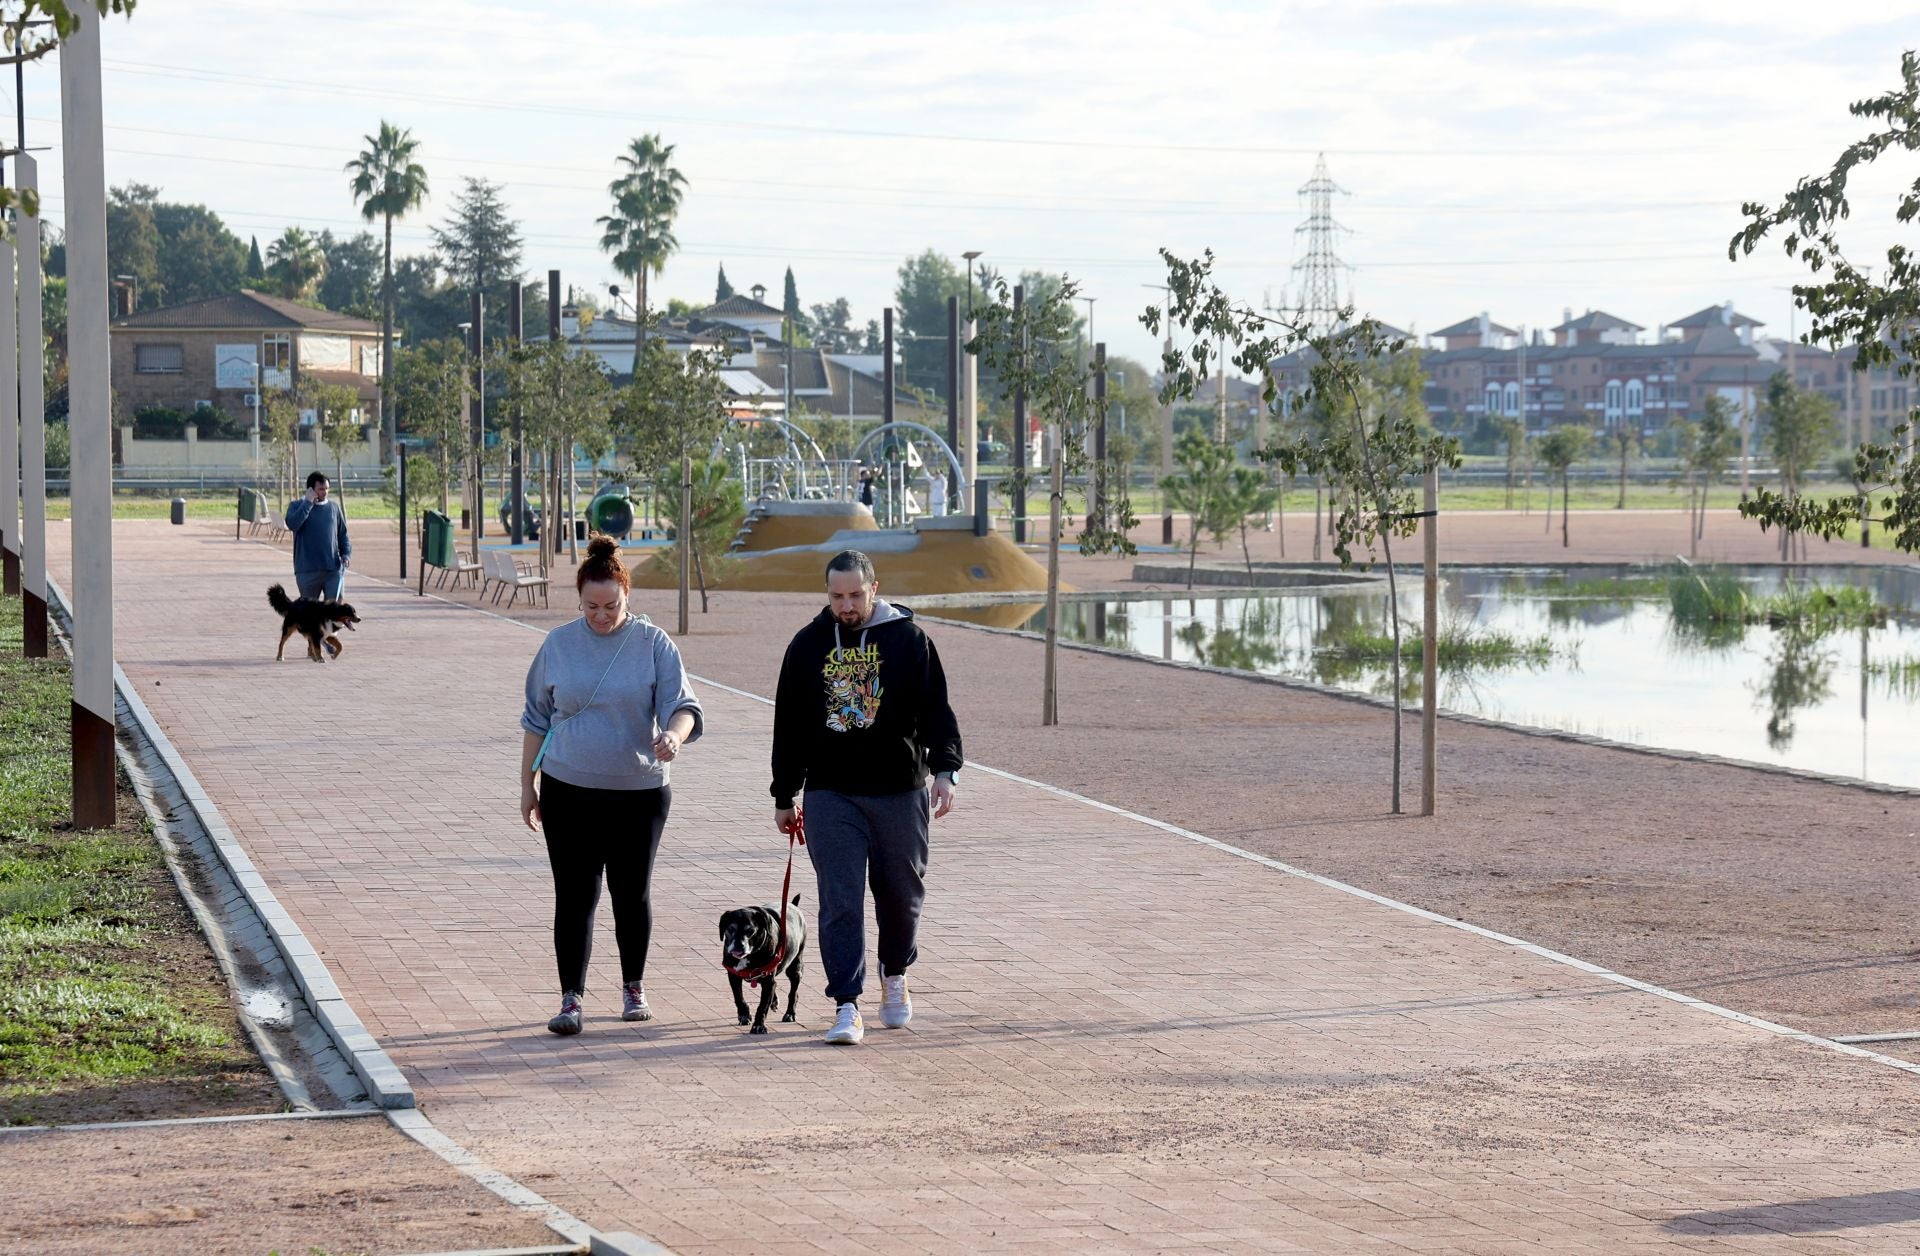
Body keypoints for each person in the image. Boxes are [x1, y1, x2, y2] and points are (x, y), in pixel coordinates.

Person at [770, 549, 962, 1045]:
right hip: (832, 791)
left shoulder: (909, 640)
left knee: (902, 894)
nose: (847, 605)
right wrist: (784, 793)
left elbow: (936, 709)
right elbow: (787, 726)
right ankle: (846, 1003)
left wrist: (945, 770)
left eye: (856, 594)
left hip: (900, 789)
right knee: (840, 900)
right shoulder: (808, 645)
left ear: (874, 589)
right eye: (837, 596)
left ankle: (894, 972)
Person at [520, 535, 704, 1035]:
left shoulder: (652, 643)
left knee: (631, 892)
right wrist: (527, 786)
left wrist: (673, 735)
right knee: (575, 895)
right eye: (591, 606)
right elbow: (536, 719)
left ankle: (632, 987)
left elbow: (684, 706)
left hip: (638, 792)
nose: (601, 615)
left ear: (628, 596)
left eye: (612, 606)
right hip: (567, 787)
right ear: (578, 600)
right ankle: (570, 999)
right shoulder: (558, 644)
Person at [284, 471, 350, 600]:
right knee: (310, 615)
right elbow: (293, 524)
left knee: (335, 611)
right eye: (321, 489)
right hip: (307, 571)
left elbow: (343, 535)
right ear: (310, 490)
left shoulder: (334, 508)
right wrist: (308, 504)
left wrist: (346, 554)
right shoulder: (296, 506)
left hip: (333, 569)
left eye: (327, 489)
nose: (325, 492)